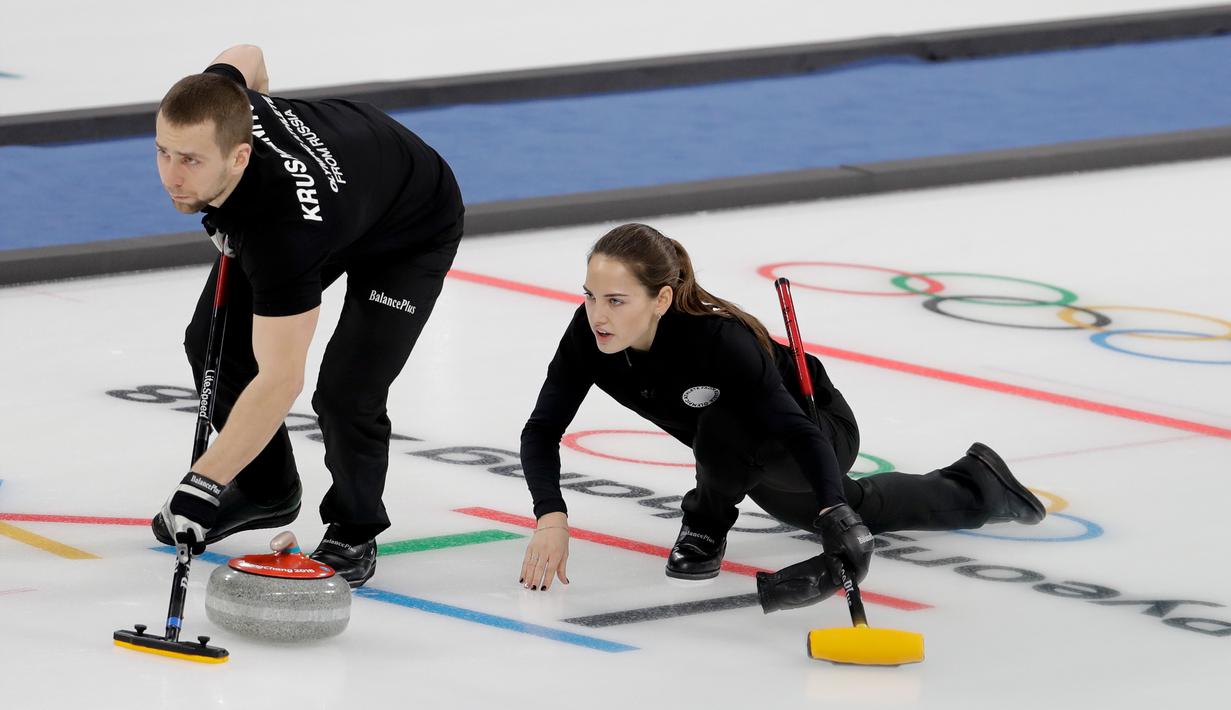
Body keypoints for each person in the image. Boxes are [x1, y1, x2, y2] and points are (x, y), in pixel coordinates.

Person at [517, 223, 1044, 611]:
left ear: (661, 298)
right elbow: (542, 429)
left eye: (615, 299)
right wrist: (551, 515)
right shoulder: (589, 336)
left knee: (758, 448)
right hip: (739, 454)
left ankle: (705, 524)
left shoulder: (720, 341)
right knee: (841, 508)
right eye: (589, 297)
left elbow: (795, 430)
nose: (598, 315)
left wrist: (832, 510)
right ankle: (979, 485)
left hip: (815, 428)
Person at [150, 45, 464, 588]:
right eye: (163, 152)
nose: (171, 177)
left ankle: (354, 526)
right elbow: (245, 54)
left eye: (191, 161)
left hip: (409, 227)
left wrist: (203, 484)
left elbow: (280, 378)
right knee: (213, 344)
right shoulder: (227, 101)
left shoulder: (284, 236)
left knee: (347, 389)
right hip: (342, 192)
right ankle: (269, 490)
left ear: (240, 157)